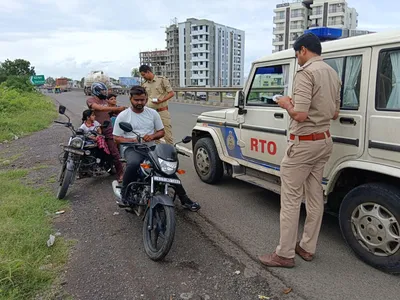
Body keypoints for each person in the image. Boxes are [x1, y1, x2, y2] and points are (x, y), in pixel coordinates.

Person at [259, 33, 341, 268]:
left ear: (303, 50)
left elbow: (301, 114)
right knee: (315, 197)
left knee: (291, 199)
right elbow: (334, 113)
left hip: (303, 143)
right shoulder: (333, 74)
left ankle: (284, 254)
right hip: (324, 141)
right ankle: (306, 247)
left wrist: (286, 103)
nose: (297, 58)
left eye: (297, 53)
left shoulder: (306, 73)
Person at [113, 85, 201, 212]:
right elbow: (116, 137)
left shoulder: (153, 113)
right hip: (131, 147)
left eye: (142, 100)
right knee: (133, 164)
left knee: (166, 168)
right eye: (136, 100)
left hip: (150, 147)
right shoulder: (123, 115)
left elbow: (161, 132)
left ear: (146, 99)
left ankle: (185, 199)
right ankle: (125, 195)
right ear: (130, 99)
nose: (139, 103)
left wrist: (152, 136)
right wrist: (132, 140)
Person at [86, 82, 127, 182]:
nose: (104, 93)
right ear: (96, 91)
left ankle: (121, 174)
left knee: (114, 151)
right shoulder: (91, 100)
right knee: (84, 146)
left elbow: (113, 110)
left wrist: (122, 110)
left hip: (108, 128)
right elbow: (99, 108)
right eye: (102, 91)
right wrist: (116, 108)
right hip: (94, 128)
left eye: (105, 91)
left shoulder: (106, 101)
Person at [139, 65, 174, 145]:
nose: (143, 77)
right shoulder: (144, 85)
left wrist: (161, 100)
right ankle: (157, 155)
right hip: (150, 113)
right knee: (154, 136)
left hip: (162, 111)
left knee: (167, 135)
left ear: (148, 72)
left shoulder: (161, 80)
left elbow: (171, 93)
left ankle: (171, 154)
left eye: (144, 75)